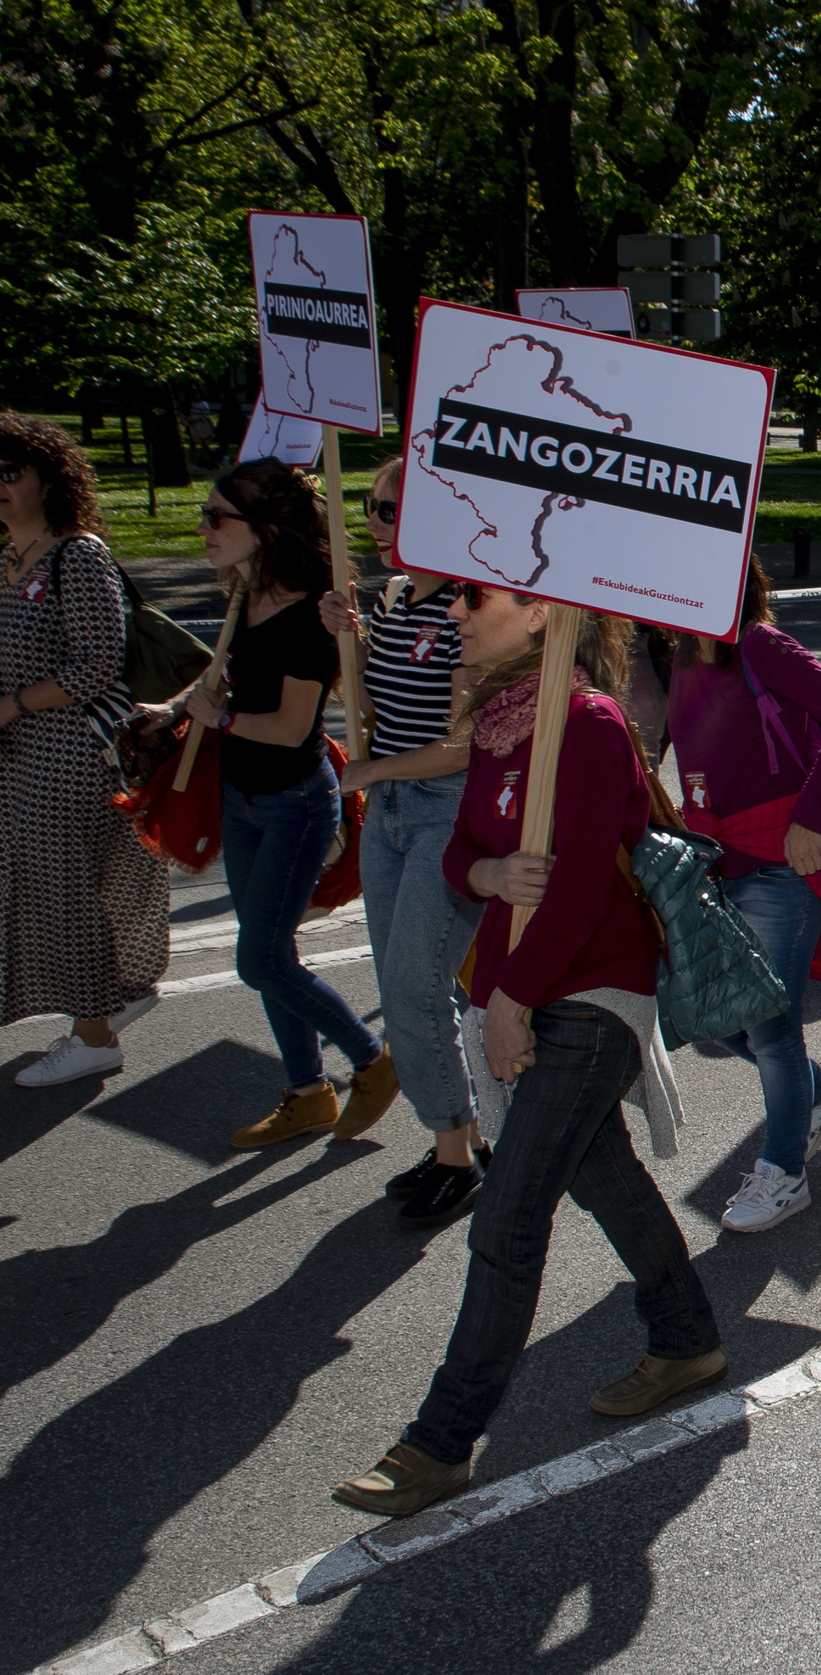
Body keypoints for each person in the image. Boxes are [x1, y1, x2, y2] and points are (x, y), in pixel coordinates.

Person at [329, 592, 720, 1518]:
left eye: (475, 599)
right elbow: (465, 845)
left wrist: (509, 1004)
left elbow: (583, 889)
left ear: (542, 611)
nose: (456, 613)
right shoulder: (505, 723)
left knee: (506, 1220)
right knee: (604, 1175)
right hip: (525, 986)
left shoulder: (585, 723)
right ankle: (688, 1337)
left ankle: (441, 1440)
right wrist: (489, 874)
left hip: (587, 996)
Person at [168, 458, 396, 1149]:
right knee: (274, 948)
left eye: (217, 518)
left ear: (264, 529)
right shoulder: (244, 593)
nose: (204, 528)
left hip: (294, 806)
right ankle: (308, 1092)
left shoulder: (307, 616)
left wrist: (222, 720)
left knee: (261, 960)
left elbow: (294, 729)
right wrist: (173, 709)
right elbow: (221, 686)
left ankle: (372, 1059)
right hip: (241, 797)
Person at [665, 558, 821, 1231]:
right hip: (721, 865)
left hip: (783, 866)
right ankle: (816, 1094)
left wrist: (810, 818)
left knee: (772, 1028)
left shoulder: (760, 645)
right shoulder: (677, 659)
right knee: (707, 1013)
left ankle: (785, 1172)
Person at [313, 458, 488, 1224]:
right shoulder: (387, 599)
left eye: (389, 510)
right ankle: (461, 1136)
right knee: (401, 985)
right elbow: (370, 703)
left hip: (445, 809)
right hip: (388, 808)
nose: (374, 523)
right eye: (370, 508)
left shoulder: (469, 606)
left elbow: (460, 747)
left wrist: (366, 771)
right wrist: (347, 640)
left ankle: (459, 1149)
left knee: (418, 986)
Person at [0, 415, 166, 1087]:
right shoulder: (8, 558)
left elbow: (99, 663)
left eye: (12, 473)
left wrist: (12, 704)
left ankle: (93, 1035)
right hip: (18, 755)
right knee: (37, 891)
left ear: (51, 481)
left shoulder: (78, 555)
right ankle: (107, 1002)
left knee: (65, 894)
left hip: (69, 754)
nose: (0, 486)